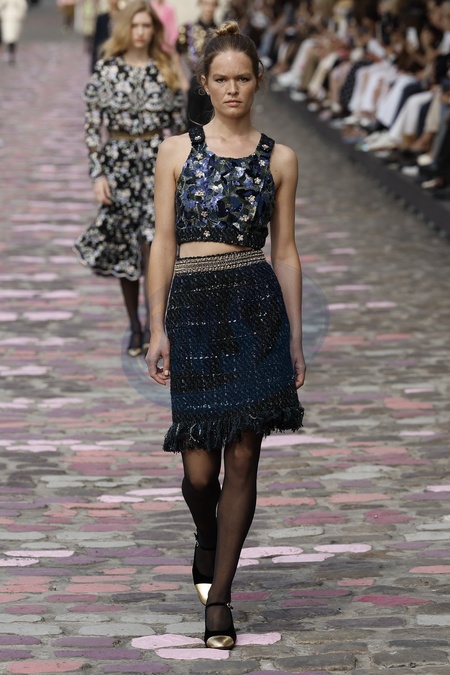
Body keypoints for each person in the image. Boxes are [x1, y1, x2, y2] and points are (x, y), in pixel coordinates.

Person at [146, 21, 305, 649]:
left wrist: (294, 337)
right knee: (199, 472)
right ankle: (207, 535)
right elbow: (162, 242)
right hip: (192, 308)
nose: (233, 89)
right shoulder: (175, 152)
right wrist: (156, 326)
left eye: (242, 78)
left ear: (257, 81)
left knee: (242, 455)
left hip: (254, 308)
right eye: (221, 79)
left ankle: (221, 599)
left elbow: (285, 251)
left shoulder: (281, 158)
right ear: (205, 83)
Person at [74, 0, 186, 357]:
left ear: (154, 30)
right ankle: (135, 325)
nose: (140, 32)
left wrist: (183, 172)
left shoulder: (164, 68)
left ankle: (156, 324)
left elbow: (179, 127)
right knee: (126, 247)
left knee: (156, 243)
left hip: (156, 163)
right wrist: (97, 175)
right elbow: (92, 128)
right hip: (119, 163)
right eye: (135, 26)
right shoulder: (107, 69)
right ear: (126, 29)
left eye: (146, 26)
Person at [176, 0, 219, 126]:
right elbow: (177, 54)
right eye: (206, 4)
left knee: (211, 120)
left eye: (212, 4)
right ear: (200, 4)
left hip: (215, 81)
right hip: (195, 80)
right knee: (192, 121)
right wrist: (182, 79)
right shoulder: (188, 29)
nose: (209, 8)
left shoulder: (220, 32)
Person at [0, 0, 27, 64]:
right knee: (9, 37)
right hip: (8, 18)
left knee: (12, 38)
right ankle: (10, 53)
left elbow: (22, 6)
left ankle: (11, 54)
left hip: (13, 18)